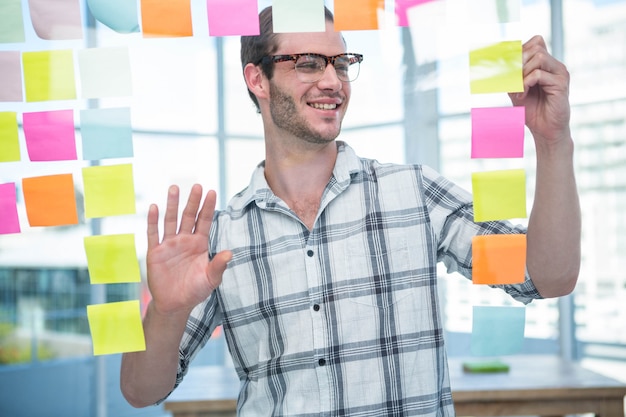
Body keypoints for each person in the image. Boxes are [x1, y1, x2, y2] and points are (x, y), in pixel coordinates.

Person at [120, 5, 581, 416]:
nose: (332, 80)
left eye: (340, 63)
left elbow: (547, 276)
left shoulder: (415, 193)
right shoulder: (221, 239)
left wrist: (552, 141)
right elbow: (141, 391)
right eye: (307, 63)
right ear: (257, 79)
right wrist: (165, 310)